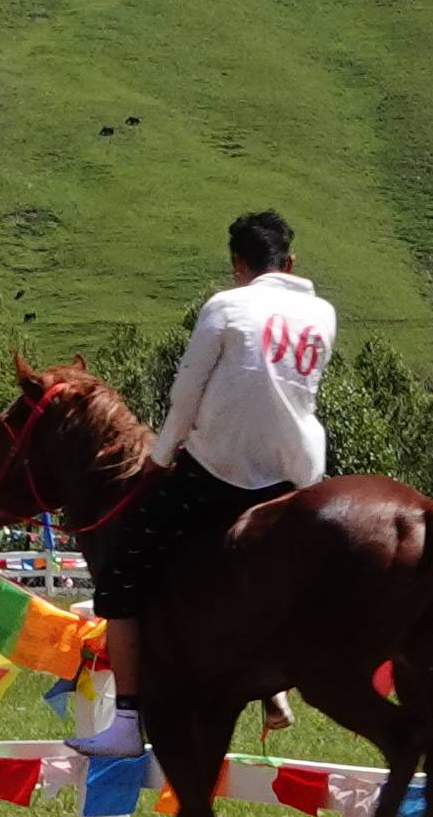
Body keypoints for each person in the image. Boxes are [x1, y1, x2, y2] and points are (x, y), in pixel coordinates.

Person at [112, 208, 334, 606]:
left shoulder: (226, 305)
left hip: (216, 474)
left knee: (122, 570)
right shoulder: (324, 314)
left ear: (236, 262)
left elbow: (186, 393)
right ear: (290, 262)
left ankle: (131, 671)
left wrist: (160, 458)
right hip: (298, 473)